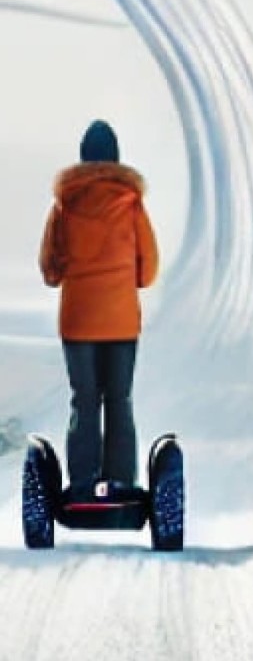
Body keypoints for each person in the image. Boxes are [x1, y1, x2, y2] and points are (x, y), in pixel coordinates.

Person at [39, 120, 159, 500]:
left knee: (85, 399)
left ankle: (82, 484)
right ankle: (120, 482)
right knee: (119, 399)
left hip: (77, 321)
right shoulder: (131, 204)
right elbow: (150, 268)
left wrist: (69, 272)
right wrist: (127, 282)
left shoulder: (65, 205)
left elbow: (50, 268)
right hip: (122, 322)